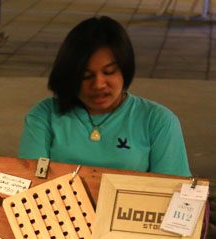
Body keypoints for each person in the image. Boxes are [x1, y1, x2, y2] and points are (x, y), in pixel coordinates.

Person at [19, 16, 190, 177]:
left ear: (125, 70)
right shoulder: (44, 116)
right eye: (86, 75)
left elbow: (174, 193)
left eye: (109, 72)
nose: (99, 84)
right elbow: (29, 182)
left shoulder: (158, 121)